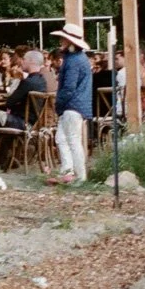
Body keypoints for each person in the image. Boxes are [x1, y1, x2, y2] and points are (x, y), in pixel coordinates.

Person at [49, 23, 92, 185]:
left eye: (63, 38)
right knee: (62, 138)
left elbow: (68, 87)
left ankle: (78, 175)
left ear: (70, 41)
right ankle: (68, 172)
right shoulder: (78, 58)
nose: (61, 40)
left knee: (72, 140)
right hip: (76, 105)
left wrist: (58, 103)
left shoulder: (74, 61)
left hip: (72, 105)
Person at [0, 49, 46, 132]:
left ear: (31, 61)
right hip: (34, 123)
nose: (21, 62)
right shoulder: (42, 81)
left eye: (24, 59)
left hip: (21, 122)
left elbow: (9, 103)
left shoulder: (28, 82)